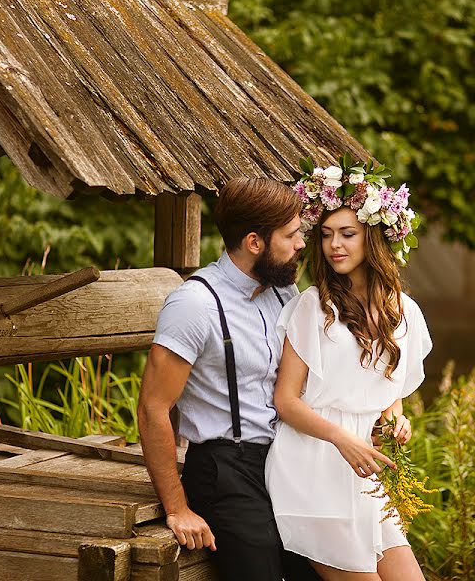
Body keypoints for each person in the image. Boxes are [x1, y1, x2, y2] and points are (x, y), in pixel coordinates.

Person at [137, 177, 319, 581]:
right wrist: (177, 507)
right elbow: (153, 407)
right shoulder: (195, 304)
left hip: (281, 461)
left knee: (320, 566)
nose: (301, 244)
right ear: (255, 242)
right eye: (291, 235)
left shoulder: (284, 295)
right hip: (223, 468)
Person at [265, 164, 432, 580]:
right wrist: (342, 438)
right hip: (312, 464)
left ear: (373, 237)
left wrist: (395, 418)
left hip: (364, 472)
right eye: (325, 235)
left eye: (347, 233)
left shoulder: (404, 311)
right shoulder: (313, 307)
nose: (333, 245)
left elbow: (389, 391)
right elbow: (285, 400)